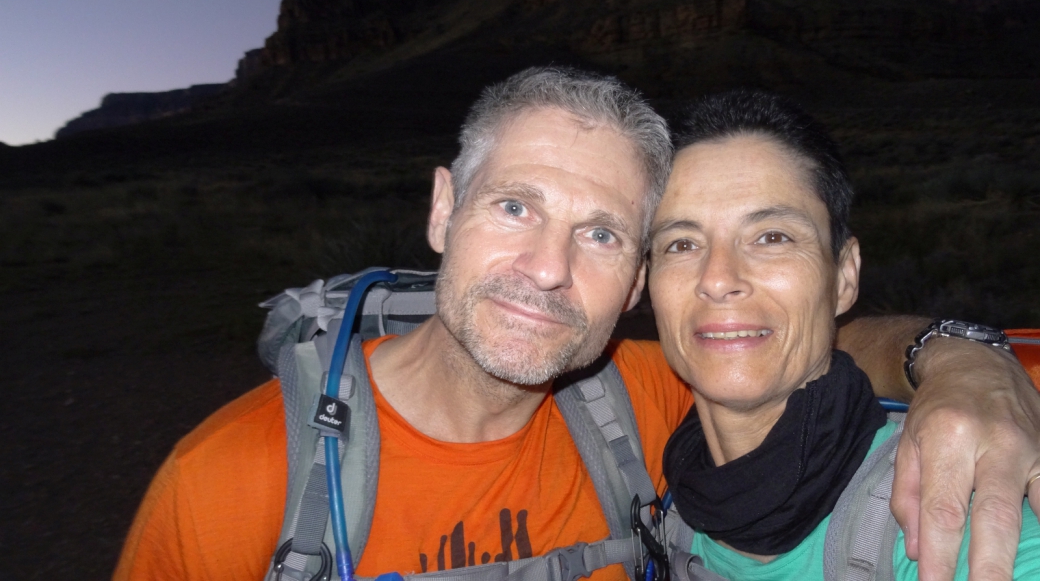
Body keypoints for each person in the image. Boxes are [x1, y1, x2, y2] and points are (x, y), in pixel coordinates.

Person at [113, 68, 1040, 581]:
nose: (549, 270)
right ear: (442, 210)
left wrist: (959, 360)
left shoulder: (647, 396)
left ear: (635, 280)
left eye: (601, 232)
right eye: (514, 207)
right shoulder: (229, 485)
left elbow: (801, 341)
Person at [654, 89, 1040, 581]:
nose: (717, 277)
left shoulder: (953, 521)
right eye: (681, 243)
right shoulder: (649, 476)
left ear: (844, 276)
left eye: (772, 237)